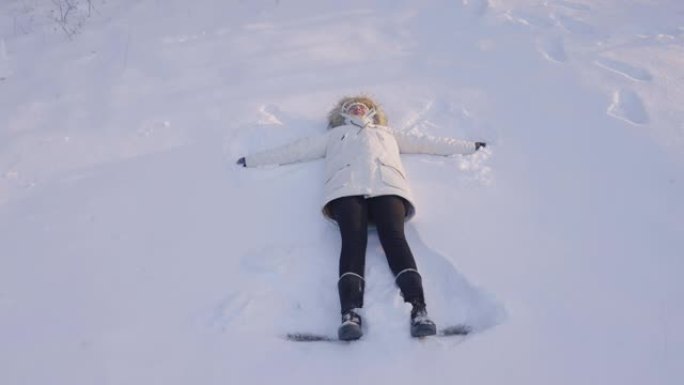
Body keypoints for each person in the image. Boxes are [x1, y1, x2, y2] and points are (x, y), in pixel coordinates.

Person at [237, 96, 485, 340]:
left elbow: (427, 143)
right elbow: (296, 150)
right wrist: (252, 160)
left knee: (395, 239)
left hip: (388, 189)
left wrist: (469, 146)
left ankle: (419, 311)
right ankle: (350, 314)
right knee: (352, 243)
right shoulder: (334, 136)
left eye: (363, 105)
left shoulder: (386, 133)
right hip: (346, 190)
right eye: (350, 105)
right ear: (343, 113)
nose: (357, 107)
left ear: (372, 110)